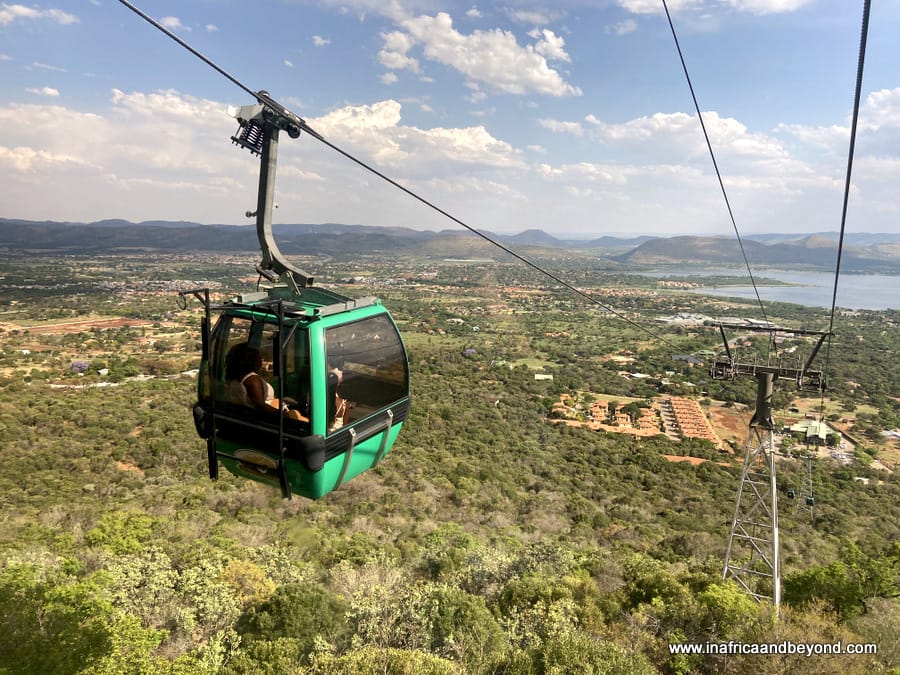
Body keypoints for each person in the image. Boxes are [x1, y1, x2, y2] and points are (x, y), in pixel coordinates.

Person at [225, 342, 307, 421]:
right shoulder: (253, 379)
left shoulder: (234, 377)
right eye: (259, 357)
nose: (262, 360)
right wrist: (285, 416)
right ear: (250, 360)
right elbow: (261, 407)